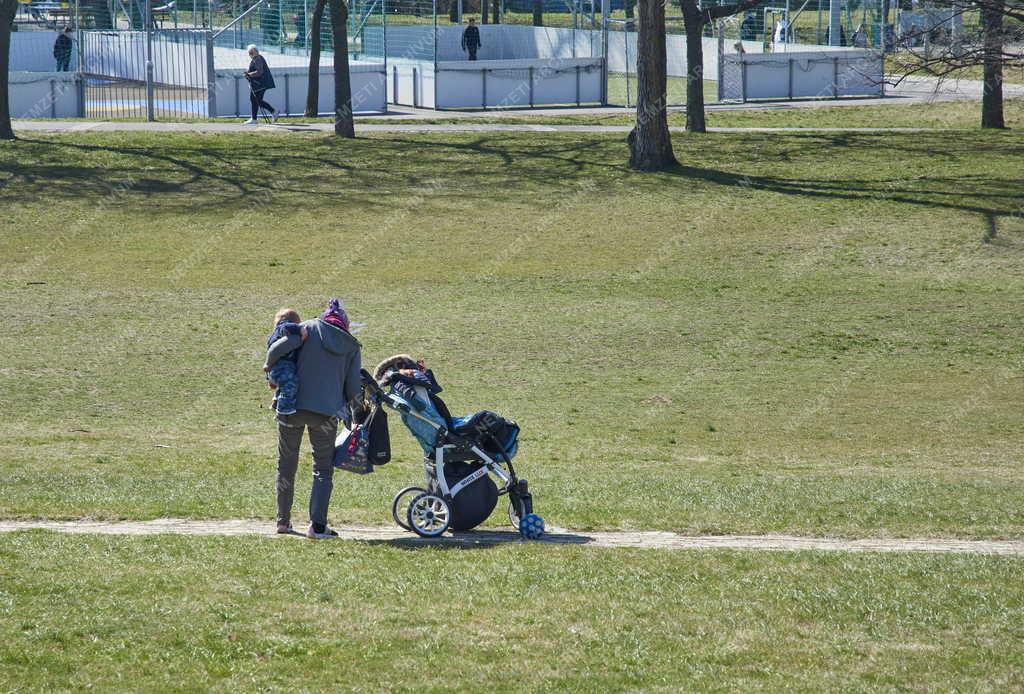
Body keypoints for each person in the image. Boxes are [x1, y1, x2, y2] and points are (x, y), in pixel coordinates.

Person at [265, 299, 362, 539]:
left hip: (291, 408)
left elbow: (278, 350)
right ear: (345, 324)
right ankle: (317, 527)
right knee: (322, 469)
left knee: (286, 464)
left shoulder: (306, 328)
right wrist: (356, 416)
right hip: (326, 415)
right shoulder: (351, 346)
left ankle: (283, 522)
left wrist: (269, 370)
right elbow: (352, 389)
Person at [264, 308, 308, 416]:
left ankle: (275, 402)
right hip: (283, 367)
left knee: (284, 385)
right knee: (291, 384)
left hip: (276, 369)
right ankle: (284, 409)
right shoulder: (283, 327)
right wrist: (300, 329)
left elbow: (270, 355)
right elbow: (287, 326)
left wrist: (269, 378)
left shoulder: (274, 336)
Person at [243, 45, 278, 125]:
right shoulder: (257, 58)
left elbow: (259, 72)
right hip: (260, 83)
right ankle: (255, 118)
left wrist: (249, 74)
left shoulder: (257, 59)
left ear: (255, 51)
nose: (250, 54)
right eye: (249, 53)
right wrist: (248, 74)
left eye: (251, 52)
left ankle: (271, 112)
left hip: (260, 84)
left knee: (255, 100)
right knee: (256, 100)